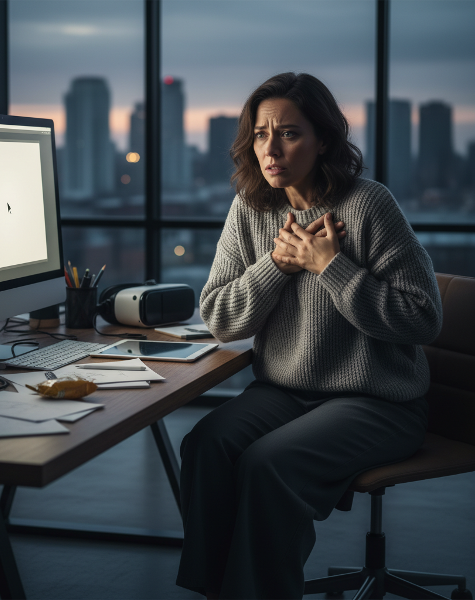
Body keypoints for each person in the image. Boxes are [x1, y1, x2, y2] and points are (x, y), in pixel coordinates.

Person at [175, 73, 443, 600]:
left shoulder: (369, 205)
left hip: (377, 400)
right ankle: (221, 591)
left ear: (324, 140)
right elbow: (220, 317)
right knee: (206, 444)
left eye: (289, 133)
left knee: (267, 464)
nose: (270, 149)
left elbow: (422, 317)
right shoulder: (252, 208)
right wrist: (277, 263)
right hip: (286, 392)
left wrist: (330, 266)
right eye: (259, 134)